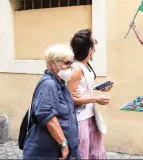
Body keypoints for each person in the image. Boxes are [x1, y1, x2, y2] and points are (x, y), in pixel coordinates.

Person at [23, 44, 80, 160]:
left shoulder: (59, 83)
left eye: (71, 63)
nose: (71, 67)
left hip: (54, 151)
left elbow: (64, 112)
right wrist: (63, 144)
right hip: (46, 152)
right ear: (54, 64)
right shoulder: (49, 84)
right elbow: (48, 117)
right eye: (67, 63)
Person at [66, 29, 112, 159]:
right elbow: (71, 99)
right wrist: (95, 99)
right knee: (83, 153)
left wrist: (98, 88)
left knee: (94, 152)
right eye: (94, 41)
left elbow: (83, 87)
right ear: (89, 49)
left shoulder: (85, 65)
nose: (97, 42)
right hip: (80, 119)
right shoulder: (76, 69)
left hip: (90, 115)